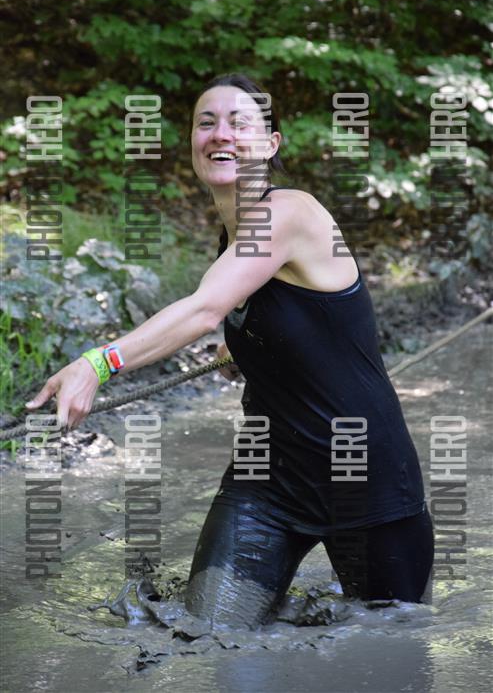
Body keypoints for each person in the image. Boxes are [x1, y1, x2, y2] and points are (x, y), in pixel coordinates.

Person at [27, 73, 434, 630]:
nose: (221, 134)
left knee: (392, 647)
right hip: (268, 480)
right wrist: (252, 348)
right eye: (206, 122)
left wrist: (97, 363)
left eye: (240, 123)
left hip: (365, 479)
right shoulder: (232, 235)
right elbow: (279, 316)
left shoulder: (290, 211)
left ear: (270, 144)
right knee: (207, 635)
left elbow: (203, 308)